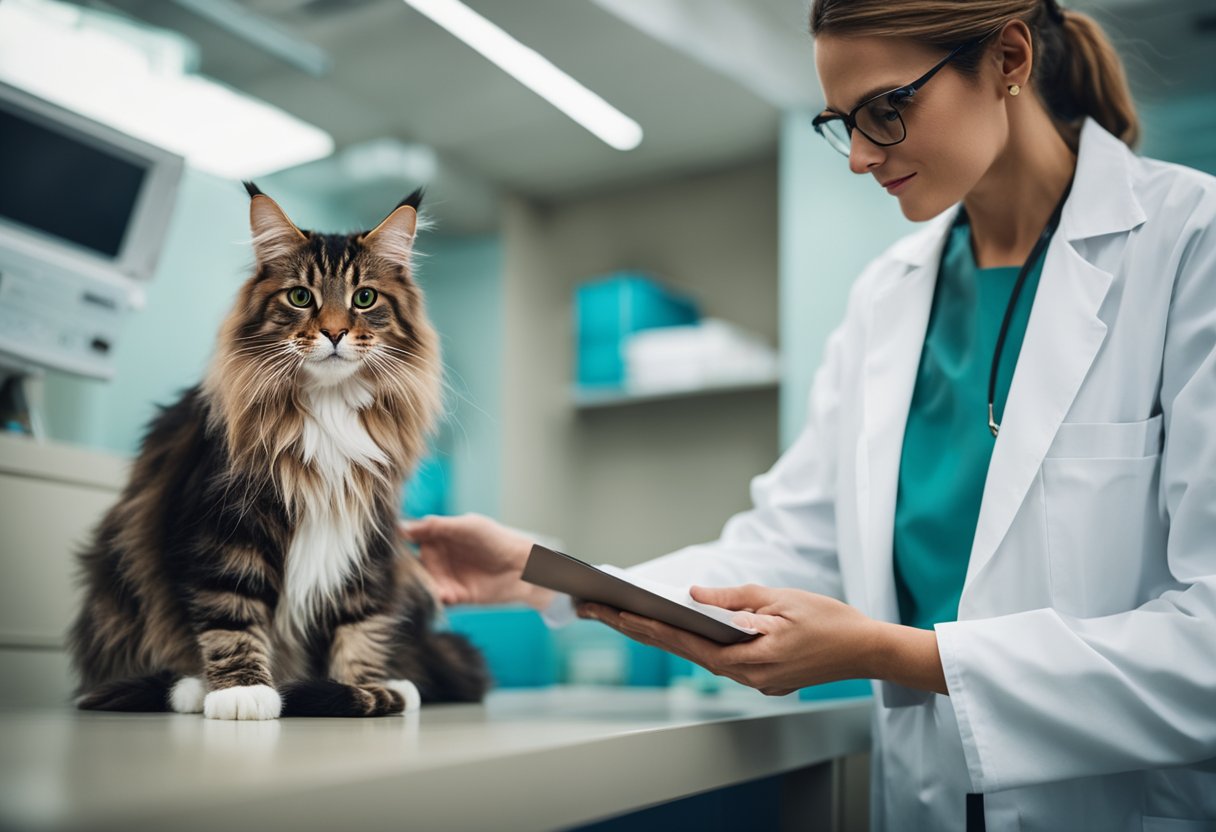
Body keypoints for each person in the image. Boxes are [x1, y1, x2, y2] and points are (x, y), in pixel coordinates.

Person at [402, 0, 1216, 829]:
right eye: (843, 123)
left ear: (1009, 58)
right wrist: (543, 574)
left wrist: (889, 653)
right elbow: (785, 548)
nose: (861, 156)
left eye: (888, 110)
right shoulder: (888, 298)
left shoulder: (1191, 248)